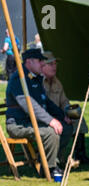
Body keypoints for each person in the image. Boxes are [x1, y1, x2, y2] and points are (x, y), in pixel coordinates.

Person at [5, 48, 73, 178]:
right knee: (51, 132)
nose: (43, 63)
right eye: (40, 60)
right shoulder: (19, 79)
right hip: (18, 124)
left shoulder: (34, 78)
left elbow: (46, 102)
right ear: (29, 62)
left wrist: (62, 116)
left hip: (32, 122)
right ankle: (49, 169)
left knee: (66, 128)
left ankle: (51, 162)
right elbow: (29, 105)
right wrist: (50, 121)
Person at [41, 51, 89, 165]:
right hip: (46, 118)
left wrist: (69, 112)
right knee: (63, 125)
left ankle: (80, 155)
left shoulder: (57, 82)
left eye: (55, 64)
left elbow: (64, 101)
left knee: (77, 117)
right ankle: (55, 158)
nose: (54, 66)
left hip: (59, 115)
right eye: (51, 64)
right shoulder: (39, 83)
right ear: (42, 66)